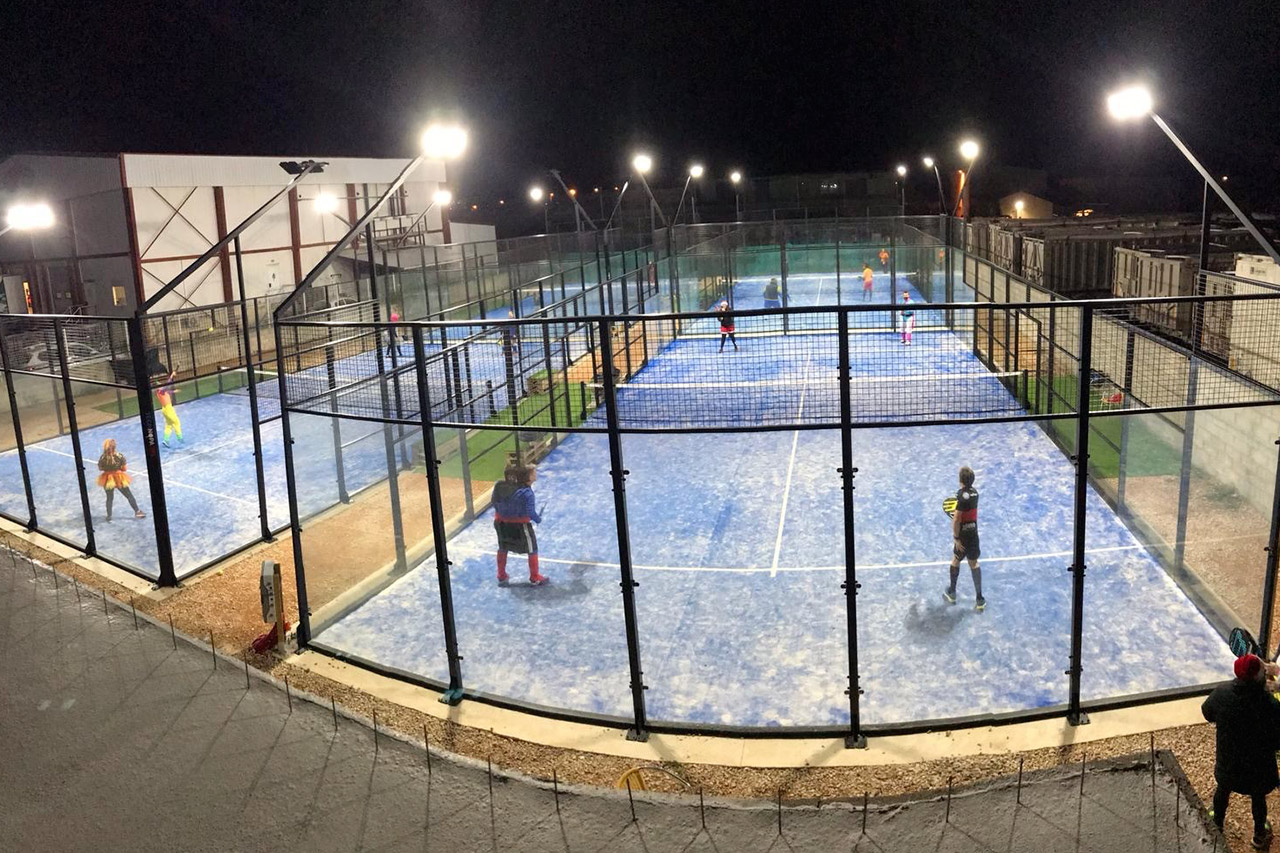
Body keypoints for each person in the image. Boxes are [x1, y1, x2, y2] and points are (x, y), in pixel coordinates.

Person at [1202, 653, 1280, 849]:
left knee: (1222, 790)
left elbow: (1207, 713)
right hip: (1259, 771)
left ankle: (1216, 822)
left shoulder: (1222, 693)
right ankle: (1259, 834)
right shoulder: (1270, 704)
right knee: (1258, 799)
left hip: (1228, 764)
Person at [492, 464, 547, 586]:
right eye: (534, 473)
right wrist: (538, 519)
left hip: (500, 523)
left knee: (503, 547)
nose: (536, 474)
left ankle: (501, 574)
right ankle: (534, 576)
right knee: (532, 549)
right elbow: (530, 512)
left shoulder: (499, 486)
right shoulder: (527, 493)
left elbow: (494, 502)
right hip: (520, 525)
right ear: (528, 477)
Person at [944, 466, 985, 610]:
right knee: (974, 563)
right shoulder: (975, 493)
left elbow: (957, 519)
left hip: (963, 535)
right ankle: (980, 599)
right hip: (973, 533)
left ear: (960, 480)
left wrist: (956, 538)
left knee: (956, 560)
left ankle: (952, 593)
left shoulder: (961, 496)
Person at [97, 439, 145, 521]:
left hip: (107, 478)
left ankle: (109, 516)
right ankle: (137, 511)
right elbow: (124, 469)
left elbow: (100, 468)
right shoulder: (119, 456)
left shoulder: (102, 457)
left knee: (109, 498)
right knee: (128, 495)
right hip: (119, 477)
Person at [155, 372, 183, 448]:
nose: (161, 385)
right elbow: (167, 385)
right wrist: (172, 375)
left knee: (169, 425)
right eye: (159, 385)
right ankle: (180, 438)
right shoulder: (161, 391)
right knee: (176, 422)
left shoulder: (161, 392)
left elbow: (168, 391)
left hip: (164, 410)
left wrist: (174, 391)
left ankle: (166, 440)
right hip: (168, 409)